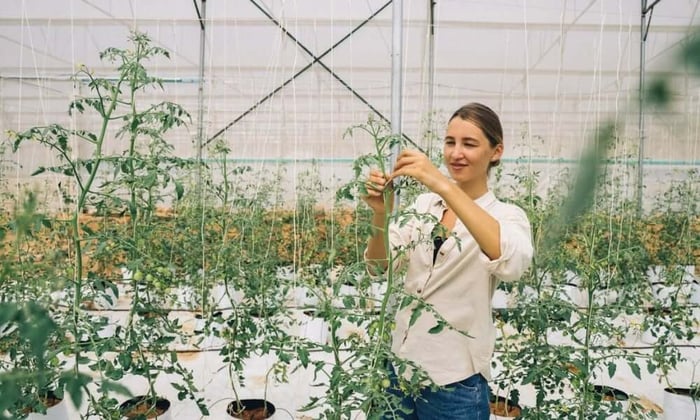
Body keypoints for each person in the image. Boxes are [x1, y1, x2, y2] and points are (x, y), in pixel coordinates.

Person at [362, 103, 533, 419]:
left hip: (454, 382)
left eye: (469, 144)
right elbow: (379, 265)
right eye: (450, 142)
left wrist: (441, 182)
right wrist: (380, 213)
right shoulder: (425, 205)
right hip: (399, 371)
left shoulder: (506, 216)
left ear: (496, 152)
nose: (456, 153)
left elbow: (511, 262)